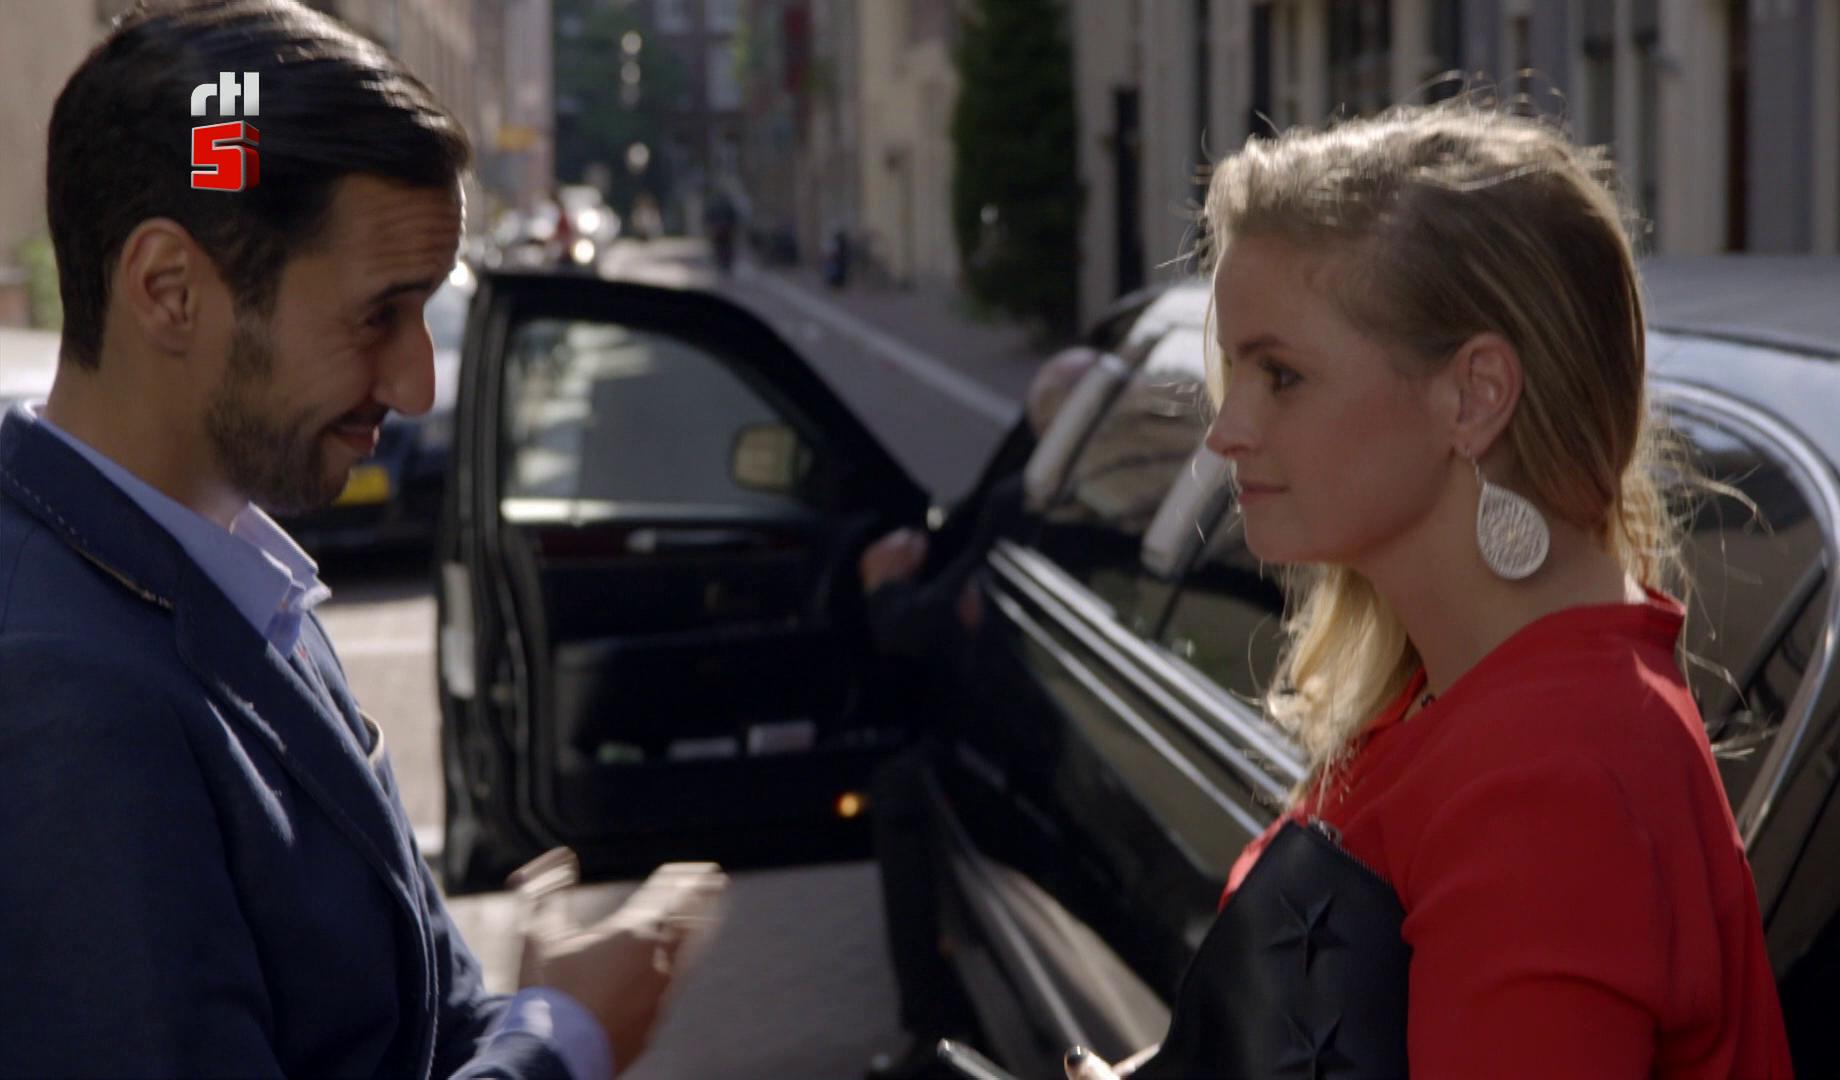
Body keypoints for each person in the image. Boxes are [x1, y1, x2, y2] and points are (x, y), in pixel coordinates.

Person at [0, 2, 723, 1077]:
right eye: (379, 314)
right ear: (168, 290)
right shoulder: (62, 704)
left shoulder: (229, 570)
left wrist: (512, 1022)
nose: (418, 385)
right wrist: (563, 1044)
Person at [1067, 100, 1794, 1078]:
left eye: (1280, 375)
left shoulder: (1550, 782)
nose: (1226, 430)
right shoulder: (1465, 688)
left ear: (1475, 394)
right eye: (1233, 370)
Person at [858, 345, 1102, 1079]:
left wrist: (883, 586)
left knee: (903, 790)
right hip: (1078, 754)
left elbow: (924, 626)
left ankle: (933, 1030)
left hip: (1035, 766)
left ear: (1052, 434)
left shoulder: (1030, 505)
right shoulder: (1140, 506)